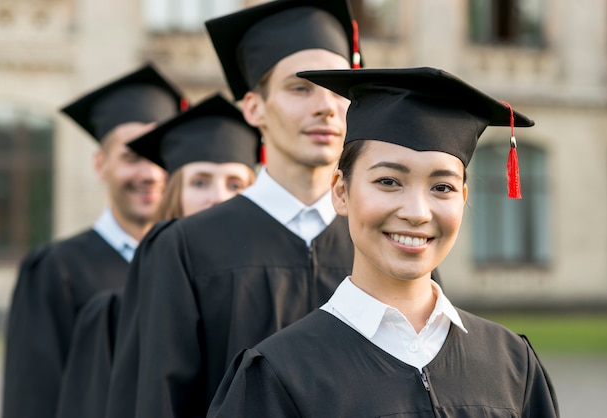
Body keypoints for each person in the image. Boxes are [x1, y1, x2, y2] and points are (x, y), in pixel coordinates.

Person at [207, 67, 560, 417]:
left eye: (442, 187)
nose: (418, 212)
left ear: (463, 197)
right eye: (389, 181)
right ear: (341, 192)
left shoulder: (511, 364)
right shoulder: (280, 374)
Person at [105, 1, 366, 417]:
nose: (326, 107)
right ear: (253, 108)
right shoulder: (185, 248)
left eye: (340, 90)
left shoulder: (380, 240)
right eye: (300, 88)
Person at [54, 92, 262, 418]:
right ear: (173, 194)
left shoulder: (275, 293)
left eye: (235, 184)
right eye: (200, 182)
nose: (218, 199)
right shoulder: (113, 314)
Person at [1, 64, 184, 418]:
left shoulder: (191, 265)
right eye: (131, 158)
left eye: (159, 158)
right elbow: (32, 396)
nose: (149, 173)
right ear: (101, 165)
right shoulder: (56, 268)